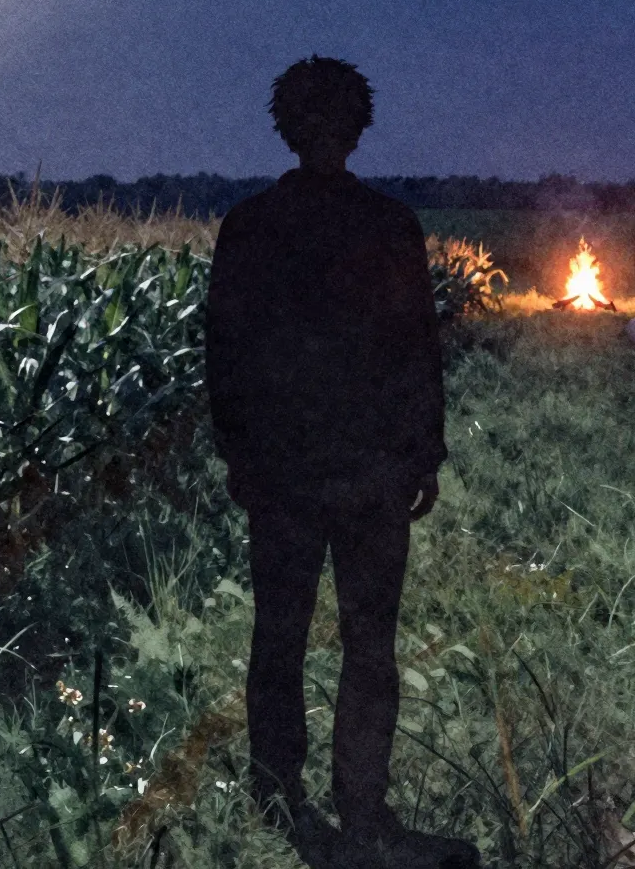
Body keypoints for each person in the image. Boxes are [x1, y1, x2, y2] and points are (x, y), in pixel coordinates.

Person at [204, 56, 479, 868]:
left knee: (280, 640)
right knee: (367, 644)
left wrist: (240, 456)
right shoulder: (389, 225)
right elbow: (417, 353)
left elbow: (225, 357)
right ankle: (361, 810)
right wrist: (422, 455)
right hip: (368, 474)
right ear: (360, 127)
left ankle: (279, 803)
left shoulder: (250, 226)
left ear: (284, 125)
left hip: (288, 474)